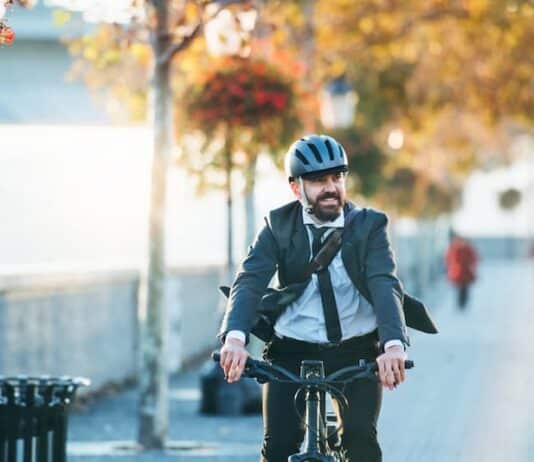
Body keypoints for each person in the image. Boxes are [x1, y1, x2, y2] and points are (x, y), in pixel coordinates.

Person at [217, 134, 410, 462]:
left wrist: (393, 346)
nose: (331, 187)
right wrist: (235, 340)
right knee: (277, 447)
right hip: (291, 350)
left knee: (361, 443)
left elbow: (384, 284)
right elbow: (249, 281)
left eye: (337, 177)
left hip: (356, 350)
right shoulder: (278, 226)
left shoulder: (369, 226)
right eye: (319, 180)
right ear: (296, 188)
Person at [445, 235, 478, 309]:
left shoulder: (468, 249)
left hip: (466, 273)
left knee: (465, 289)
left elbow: (474, 259)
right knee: (459, 289)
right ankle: (460, 303)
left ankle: (463, 303)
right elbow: (449, 259)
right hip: (458, 273)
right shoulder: (454, 249)